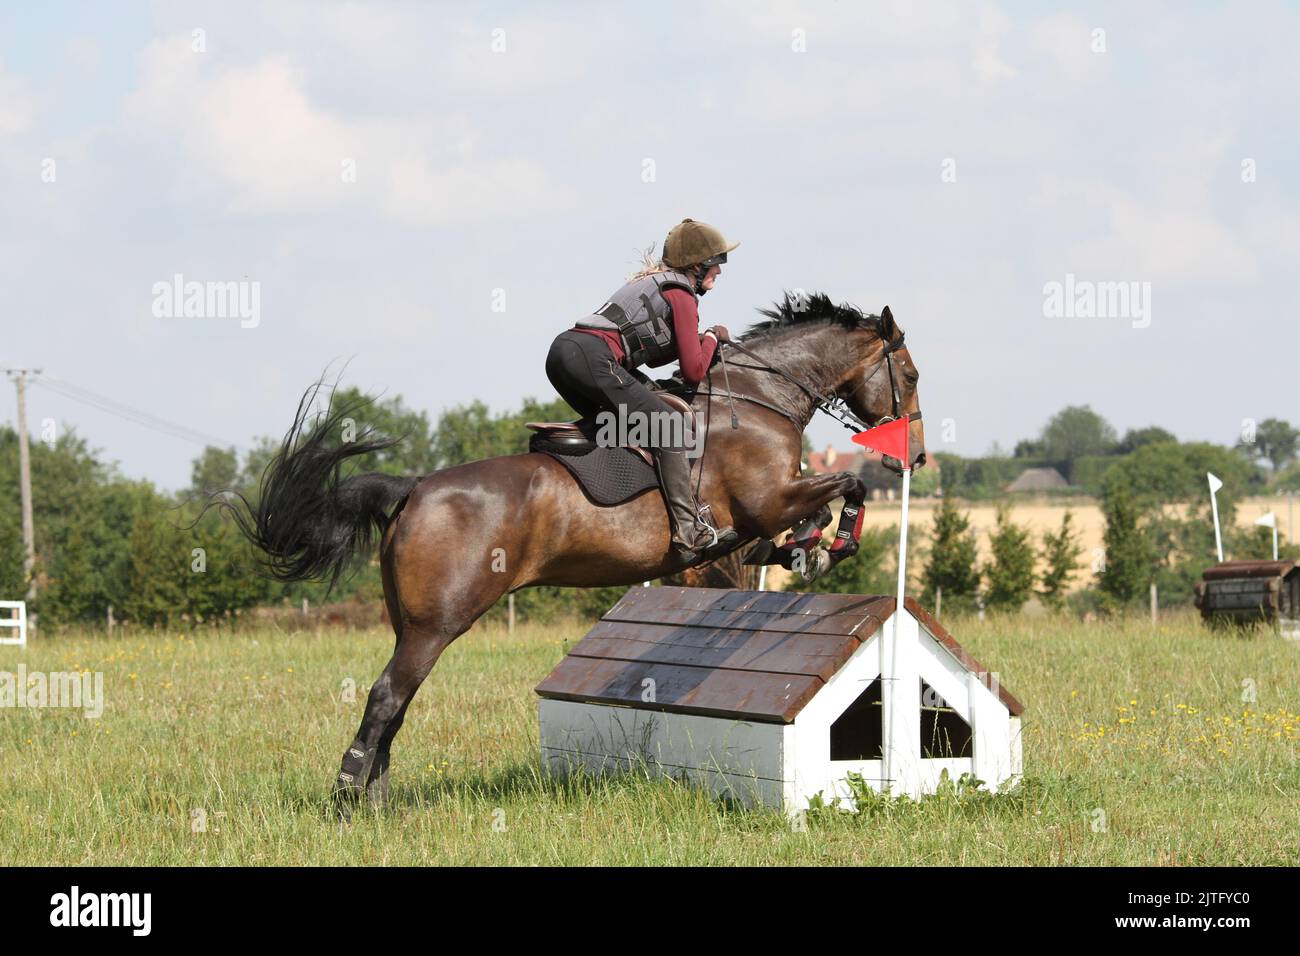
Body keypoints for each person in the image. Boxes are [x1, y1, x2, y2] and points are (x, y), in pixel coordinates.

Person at [545, 218, 740, 563]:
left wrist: (698, 342)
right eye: (718, 263)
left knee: (628, 424)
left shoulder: (657, 283)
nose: (720, 273)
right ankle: (688, 529)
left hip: (565, 355)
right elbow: (694, 372)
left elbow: (655, 357)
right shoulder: (681, 294)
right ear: (698, 265)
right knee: (668, 426)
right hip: (593, 358)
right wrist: (710, 338)